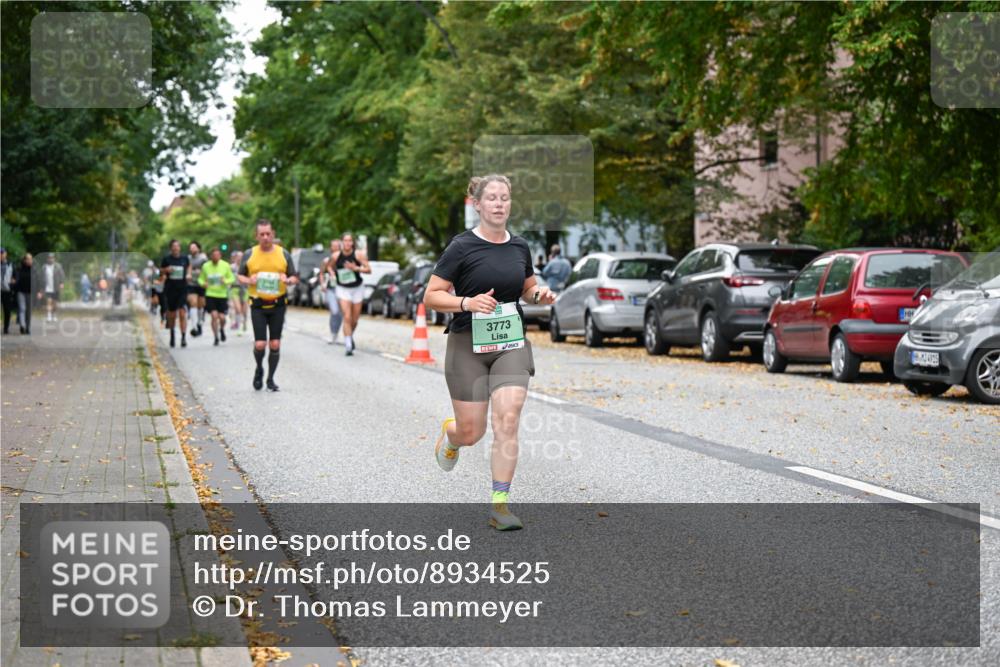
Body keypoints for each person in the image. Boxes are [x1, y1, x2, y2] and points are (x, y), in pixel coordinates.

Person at [424, 174, 556, 531]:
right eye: (492, 198)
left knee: (508, 418)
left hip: (510, 343)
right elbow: (431, 295)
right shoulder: (461, 247)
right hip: (468, 344)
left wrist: (538, 296)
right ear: (478, 204)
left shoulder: (520, 247)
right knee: (472, 432)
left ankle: (500, 507)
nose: (499, 204)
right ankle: (452, 436)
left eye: (505, 198)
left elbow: (528, 289)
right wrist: (466, 302)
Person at [238, 219, 298, 391]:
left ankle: (270, 379)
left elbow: (294, 276)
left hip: (278, 304)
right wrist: (249, 280)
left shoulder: (283, 254)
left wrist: (288, 280)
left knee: (275, 344)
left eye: (268, 234)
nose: (265, 237)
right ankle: (259, 369)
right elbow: (240, 276)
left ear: (273, 234)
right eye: (262, 234)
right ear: (256, 236)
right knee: (260, 344)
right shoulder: (250, 254)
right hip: (257, 304)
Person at [330, 233, 370, 356]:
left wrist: (355, 268)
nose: (347, 243)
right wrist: (332, 274)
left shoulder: (359, 255)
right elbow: (330, 267)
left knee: (355, 319)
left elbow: (368, 269)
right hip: (343, 288)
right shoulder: (336, 256)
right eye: (345, 241)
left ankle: (349, 335)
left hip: (357, 288)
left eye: (350, 241)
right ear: (342, 242)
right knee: (347, 316)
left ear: (353, 243)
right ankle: (348, 344)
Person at [198, 246, 235, 346]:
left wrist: (225, 281)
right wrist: (203, 284)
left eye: (217, 255)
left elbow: (232, 278)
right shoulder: (206, 266)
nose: (215, 257)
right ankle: (216, 337)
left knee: (222, 318)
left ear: (220, 256)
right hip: (210, 294)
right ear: (211, 256)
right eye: (214, 255)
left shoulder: (225, 265)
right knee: (214, 316)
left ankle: (222, 329)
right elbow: (200, 279)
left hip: (222, 295)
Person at [160, 240, 191, 348]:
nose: (176, 248)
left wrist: (188, 275)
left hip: (182, 288)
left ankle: (183, 337)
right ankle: (172, 334)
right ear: (171, 248)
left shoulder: (184, 258)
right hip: (170, 289)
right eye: (174, 246)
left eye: (177, 246)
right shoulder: (166, 259)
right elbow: (161, 271)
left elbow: (189, 267)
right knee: (172, 314)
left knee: (182, 313)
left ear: (180, 248)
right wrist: (166, 270)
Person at [320, 238, 344, 344]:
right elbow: (321, 274)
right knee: (334, 311)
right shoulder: (326, 261)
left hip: (342, 288)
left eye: (337, 246)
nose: (335, 248)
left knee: (340, 313)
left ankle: (336, 333)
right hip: (330, 289)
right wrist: (322, 284)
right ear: (331, 247)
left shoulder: (343, 260)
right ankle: (333, 334)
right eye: (333, 246)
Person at [35, 252, 65, 322]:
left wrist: (61, 283)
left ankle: (54, 315)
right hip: (47, 287)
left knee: (54, 303)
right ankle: (48, 316)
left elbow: (62, 275)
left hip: (55, 287)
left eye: (52, 258)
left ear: (54, 259)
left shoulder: (58, 266)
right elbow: (41, 278)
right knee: (48, 301)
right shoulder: (44, 267)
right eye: (49, 258)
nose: (50, 259)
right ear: (47, 259)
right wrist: (40, 289)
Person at [186, 241, 208, 337]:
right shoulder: (188, 258)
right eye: (191, 247)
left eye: (194, 247)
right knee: (193, 303)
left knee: (200, 305)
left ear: (198, 248)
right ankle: (194, 327)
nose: (192, 249)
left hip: (201, 284)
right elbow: (187, 268)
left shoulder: (203, 258)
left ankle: (199, 323)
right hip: (191, 284)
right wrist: (188, 274)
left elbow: (207, 269)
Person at [13, 253, 33, 334]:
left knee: (28, 311)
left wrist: (39, 291)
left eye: (31, 259)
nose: (29, 261)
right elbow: (15, 278)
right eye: (28, 259)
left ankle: (28, 328)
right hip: (20, 292)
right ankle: (22, 326)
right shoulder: (19, 269)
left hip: (30, 292)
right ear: (24, 260)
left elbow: (38, 280)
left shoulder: (34, 269)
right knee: (22, 309)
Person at [229, 250, 248, 334]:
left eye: (241, 257)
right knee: (238, 308)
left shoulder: (246, 267)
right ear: (235, 258)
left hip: (245, 289)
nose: (239, 258)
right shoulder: (231, 267)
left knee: (244, 309)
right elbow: (228, 277)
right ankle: (239, 328)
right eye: (238, 257)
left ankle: (244, 322)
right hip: (235, 288)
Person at [1, 248, 14, 334]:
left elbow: (15, 275)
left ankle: (6, 327)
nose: (1, 255)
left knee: (7, 310)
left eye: (2, 253)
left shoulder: (10, 264)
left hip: (7, 290)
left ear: (6, 254)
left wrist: (14, 281)